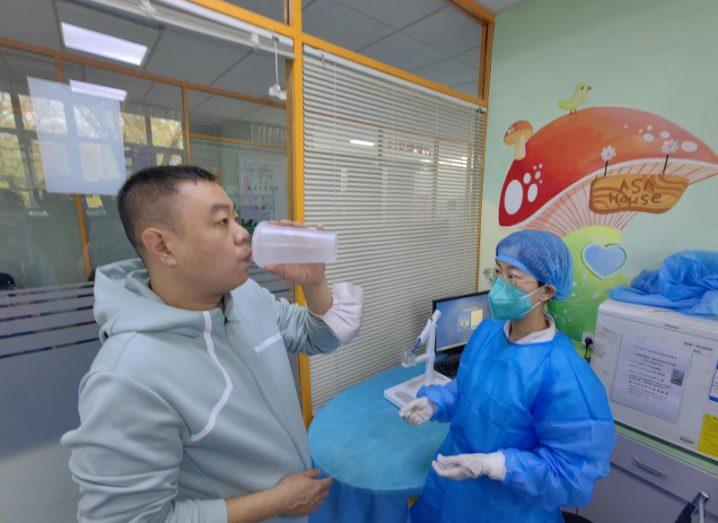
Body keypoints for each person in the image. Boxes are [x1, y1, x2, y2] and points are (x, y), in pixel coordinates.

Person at [61, 166, 364, 523]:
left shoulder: (245, 296)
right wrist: (276, 502)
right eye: (222, 223)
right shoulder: (126, 377)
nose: (243, 235)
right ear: (162, 245)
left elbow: (317, 338)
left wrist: (313, 282)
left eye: (236, 217)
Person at [400, 230, 615, 523]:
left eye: (513, 277)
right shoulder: (488, 333)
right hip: (451, 489)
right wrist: (435, 403)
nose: (500, 285)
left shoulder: (563, 374)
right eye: (498, 272)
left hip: (509, 508)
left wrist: (494, 464)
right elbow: (467, 390)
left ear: (547, 291)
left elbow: (569, 474)